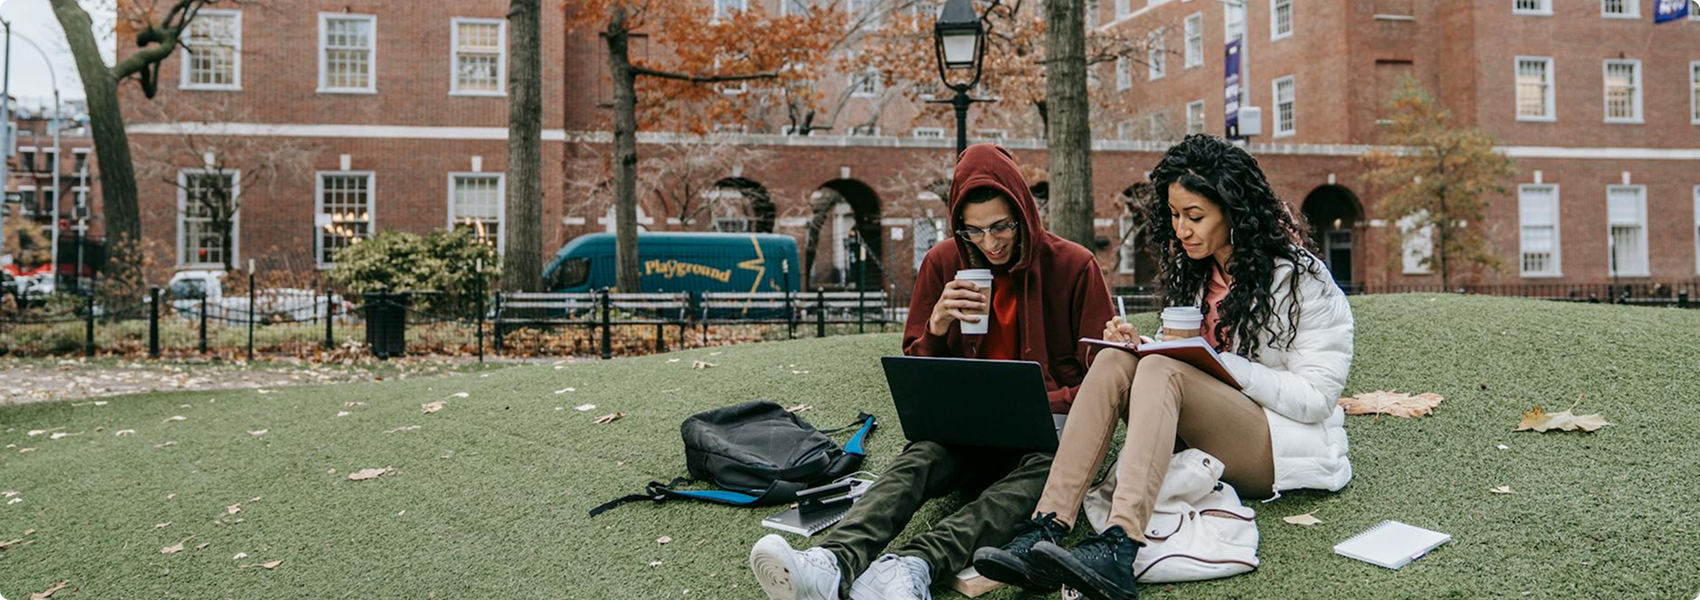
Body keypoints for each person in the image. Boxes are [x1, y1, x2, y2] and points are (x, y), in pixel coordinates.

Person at [973, 134, 1356, 600]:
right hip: (1200, 429)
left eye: (1195, 216)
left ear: (1234, 212)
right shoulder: (1196, 273)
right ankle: (1046, 527)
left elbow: (1316, 398)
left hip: (1275, 445)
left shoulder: (1301, 279)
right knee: (1115, 359)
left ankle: (1120, 544)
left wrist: (1218, 365)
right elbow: (1187, 365)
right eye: (1174, 216)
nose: (1182, 230)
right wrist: (1145, 345)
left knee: (1162, 370)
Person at [748, 143, 1114, 600]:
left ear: (1024, 212)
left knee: (1044, 474)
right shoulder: (943, 262)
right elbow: (917, 374)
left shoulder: (1074, 265)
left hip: (1045, 439)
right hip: (963, 434)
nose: (991, 242)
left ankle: (913, 565)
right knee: (920, 457)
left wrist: (1041, 403)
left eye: (1002, 226)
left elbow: (1104, 381)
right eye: (974, 230)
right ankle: (832, 562)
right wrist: (938, 324)